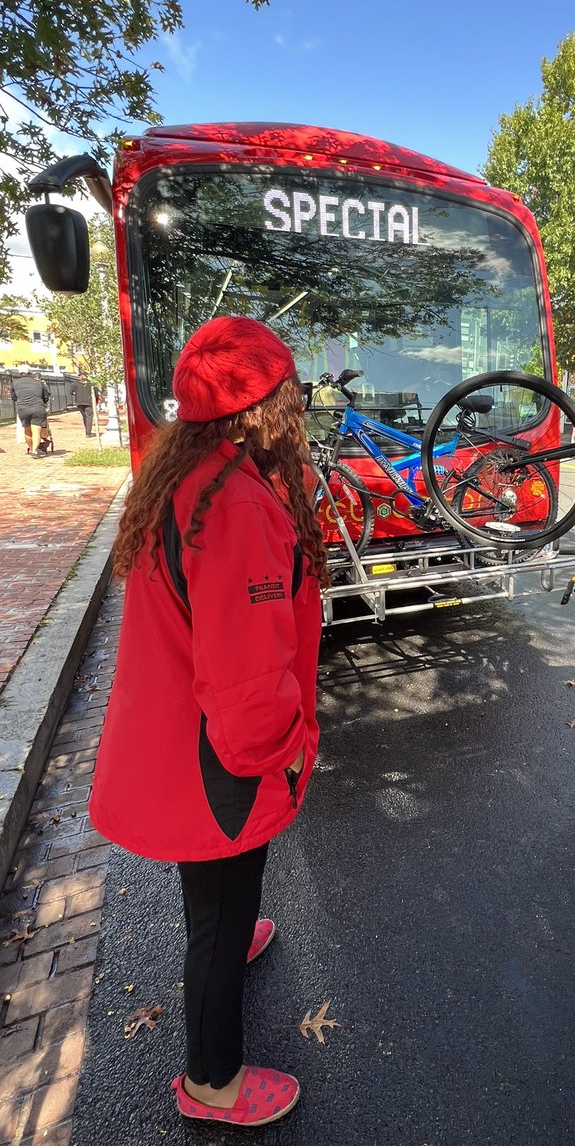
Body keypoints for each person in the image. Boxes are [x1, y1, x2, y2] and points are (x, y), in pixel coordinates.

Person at [88, 316, 327, 1126]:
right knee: (223, 909)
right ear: (259, 407)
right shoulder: (237, 506)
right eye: (288, 390)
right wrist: (289, 752)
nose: (298, 403)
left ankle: (232, 939)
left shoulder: (189, 477)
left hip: (176, 743)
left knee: (217, 898)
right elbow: (251, 681)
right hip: (216, 760)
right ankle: (212, 1083)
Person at [11, 370, 52, 455]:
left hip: (23, 409)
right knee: (36, 430)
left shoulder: (15, 383)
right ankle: (35, 451)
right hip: (37, 408)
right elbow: (46, 397)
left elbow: (14, 397)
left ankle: (31, 449)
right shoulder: (39, 383)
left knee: (27, 430)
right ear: (30, 373)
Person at [72, 370, 100, 436]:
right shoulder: (90, 383)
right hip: (88, 402)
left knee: (85, 416)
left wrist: (77, 394)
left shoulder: (75, 383)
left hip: (79, 402)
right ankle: (88, 433)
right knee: (89, 417)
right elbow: (96, 393)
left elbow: (71, 392)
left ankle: (87, 430)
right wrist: (96, 402)